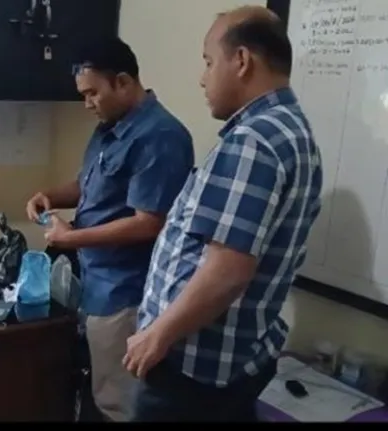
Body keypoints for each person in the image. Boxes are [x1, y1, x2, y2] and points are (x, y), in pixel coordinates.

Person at [123, 6, 323, 422]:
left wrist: (157, 334)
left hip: (192, 369)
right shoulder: (294, 131)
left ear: (242, 60)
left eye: (209, 62)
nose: (202, 77)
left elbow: (227, 271)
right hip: (235, 360)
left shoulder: (254, 140)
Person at [26, 37, 194, 421]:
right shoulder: (110, 126)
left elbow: (149, 223)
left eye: (92, 94)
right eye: (83, 95)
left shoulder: (161, 136)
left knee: (120, 403)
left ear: (123, 82)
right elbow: (88, 184)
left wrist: (71, 237)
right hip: (97, 282)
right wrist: (48, 195)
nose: (87, 104)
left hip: (127, 292)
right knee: (102, 391)